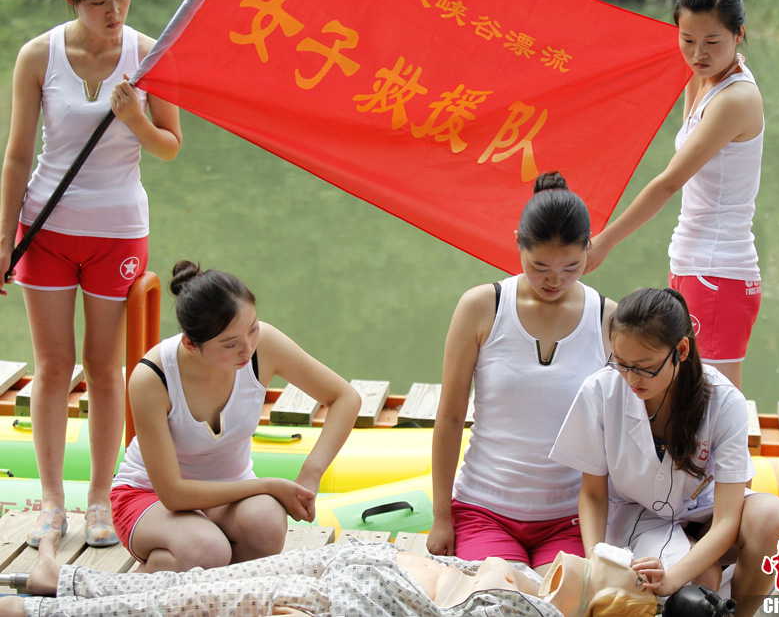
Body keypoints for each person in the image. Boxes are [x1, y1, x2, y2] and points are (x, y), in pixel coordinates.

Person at [0, 0, 182, 548]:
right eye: (100, 1)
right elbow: (17, 155)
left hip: (117, 230)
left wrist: (134, 119)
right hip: (47, 227)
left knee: (105, 368)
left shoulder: (151, 56)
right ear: (74, 2)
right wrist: (3, 237)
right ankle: (52, 503)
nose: (115, 10)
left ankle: (100, 499)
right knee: (53, 366)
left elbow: (171, 146)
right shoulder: (38, 56)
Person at [549, 288, 779, 617]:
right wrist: (597, 557)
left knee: (772, 518)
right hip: (640, 515)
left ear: (681, 350)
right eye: (621, 364)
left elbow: (725, 519)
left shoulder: (724, 401)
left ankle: (742, 612)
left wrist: (672, 577)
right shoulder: (601, 391)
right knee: (699, 587)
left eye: (645, 367)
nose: (631, 379)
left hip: (707, 514)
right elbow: (593, 494)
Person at [107, 261, 360, 572]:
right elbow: (173, 493)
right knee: (205, 549)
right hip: (149, 497)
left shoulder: (263, 344)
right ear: (190, 343)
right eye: (230, 344)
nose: (247, 348)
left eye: (252, 328)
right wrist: (266, 485)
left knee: (267, 522)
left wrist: (311, 472)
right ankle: (124, 595)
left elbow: (345, 398)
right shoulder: (153, 377)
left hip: (228, 495)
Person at [427, 172, 616, 575]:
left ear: (589, 248)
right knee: (503, 596)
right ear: (518, 242)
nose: (554, 280)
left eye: (571, 266)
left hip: (571, 516)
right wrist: (442, 515)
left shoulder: (608, 318)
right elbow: (449, 417)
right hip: (485, 509)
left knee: (560, 600)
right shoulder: (481, 307)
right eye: (539, 266)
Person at [584, 0, 763, 389]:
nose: (698, 53)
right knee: (684, 394)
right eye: (687, 40)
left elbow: (669, 182)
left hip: (719, 270)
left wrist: (603, 243)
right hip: (689, 259)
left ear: (739, 35)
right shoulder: (700, 78)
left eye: (713, 42)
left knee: (713, 400)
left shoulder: (736, 99)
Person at [0, 536, 656, 617]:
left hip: (354, 598)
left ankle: (37, 612)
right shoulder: (532, 583)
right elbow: (457, 570)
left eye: (592, 564)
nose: (576, 556)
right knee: (186, 583)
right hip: (358, 561)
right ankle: (72, 582)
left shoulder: (531, 616)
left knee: (189, 602)